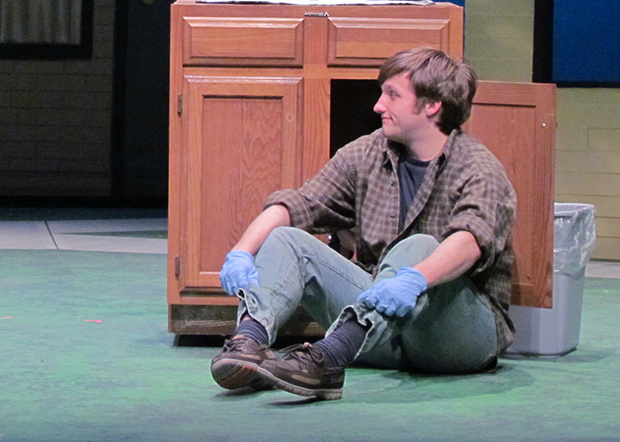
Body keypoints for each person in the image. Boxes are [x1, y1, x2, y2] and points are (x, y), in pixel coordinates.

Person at [209, 47, 517, 400]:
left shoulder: (478, 167)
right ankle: (249, 347)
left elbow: (470, 240)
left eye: (392, 95)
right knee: (286, 238)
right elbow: (299, 204)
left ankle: (327, 359)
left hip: (453, 339)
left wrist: (416, 279)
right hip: (378, 330)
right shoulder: (367, 153)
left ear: (432, 106)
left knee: (418, 247)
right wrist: (241, 252)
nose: (378, 106)